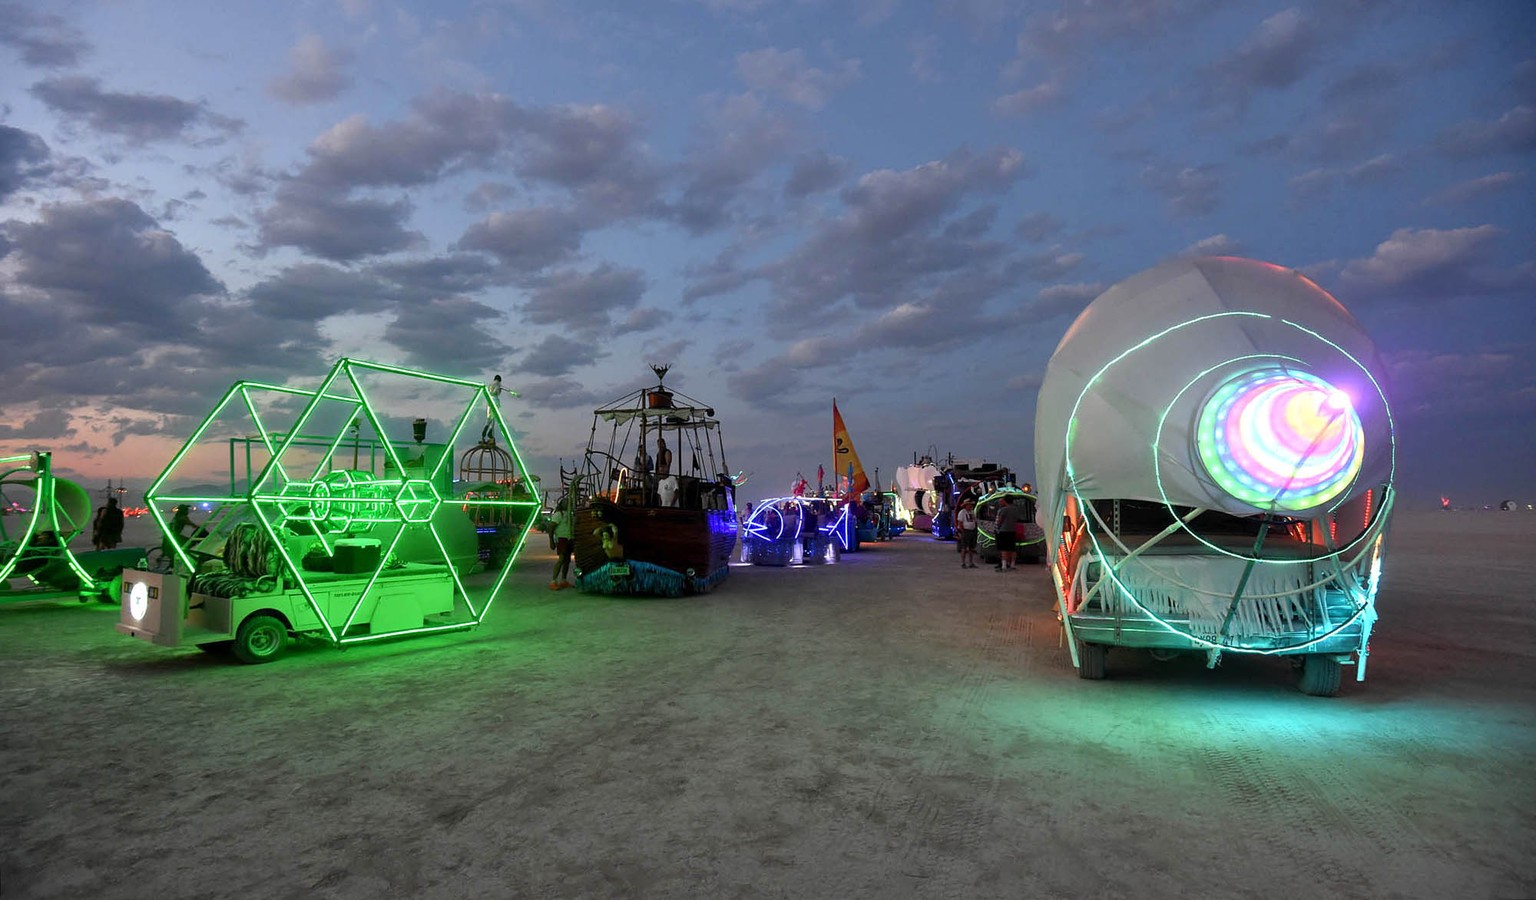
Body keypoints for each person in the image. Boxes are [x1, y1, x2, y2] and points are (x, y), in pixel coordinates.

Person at [549, 500, 575, 590]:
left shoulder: (570, 515)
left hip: (570, 539)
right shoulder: (558, 515)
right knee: (561, 559)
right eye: (567, 503)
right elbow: (551, 528)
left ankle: (564, 580)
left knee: (567, 561)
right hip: (562, 539)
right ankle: (553, 581)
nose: (569, 505)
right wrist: (551, 541)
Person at [993, 495, 1020, 571]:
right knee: (1012, 548)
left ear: (1005, 501)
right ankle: (1012, 564)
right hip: (1013, 530)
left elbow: (1000, 520)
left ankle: (1004, 566)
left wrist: (997, 527)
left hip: (1003, 531)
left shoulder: (1004, 510)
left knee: (1003, 548)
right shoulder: (1015, 509)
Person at [956, 498, 979, 568]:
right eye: (969, 505)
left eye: (971, 505)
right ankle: (963, 563)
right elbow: (960, 523)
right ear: (966, 505)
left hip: (972, 531)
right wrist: (962, 531)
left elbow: (975, 521)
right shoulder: (962, 512)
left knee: (971, 548)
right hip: (966, 531)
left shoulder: (972, 512)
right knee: (964, 548)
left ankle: (971, 562)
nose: (970, 506)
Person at [480, 375, 503, 444]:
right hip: (495, 401)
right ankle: (489, 431)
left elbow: (488, 392)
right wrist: (499, 390)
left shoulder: (490, 384)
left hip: (489, 402)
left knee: (489, 417)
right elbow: (495, 393)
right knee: (493, 419)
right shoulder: (498, 384)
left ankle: (486, 430)